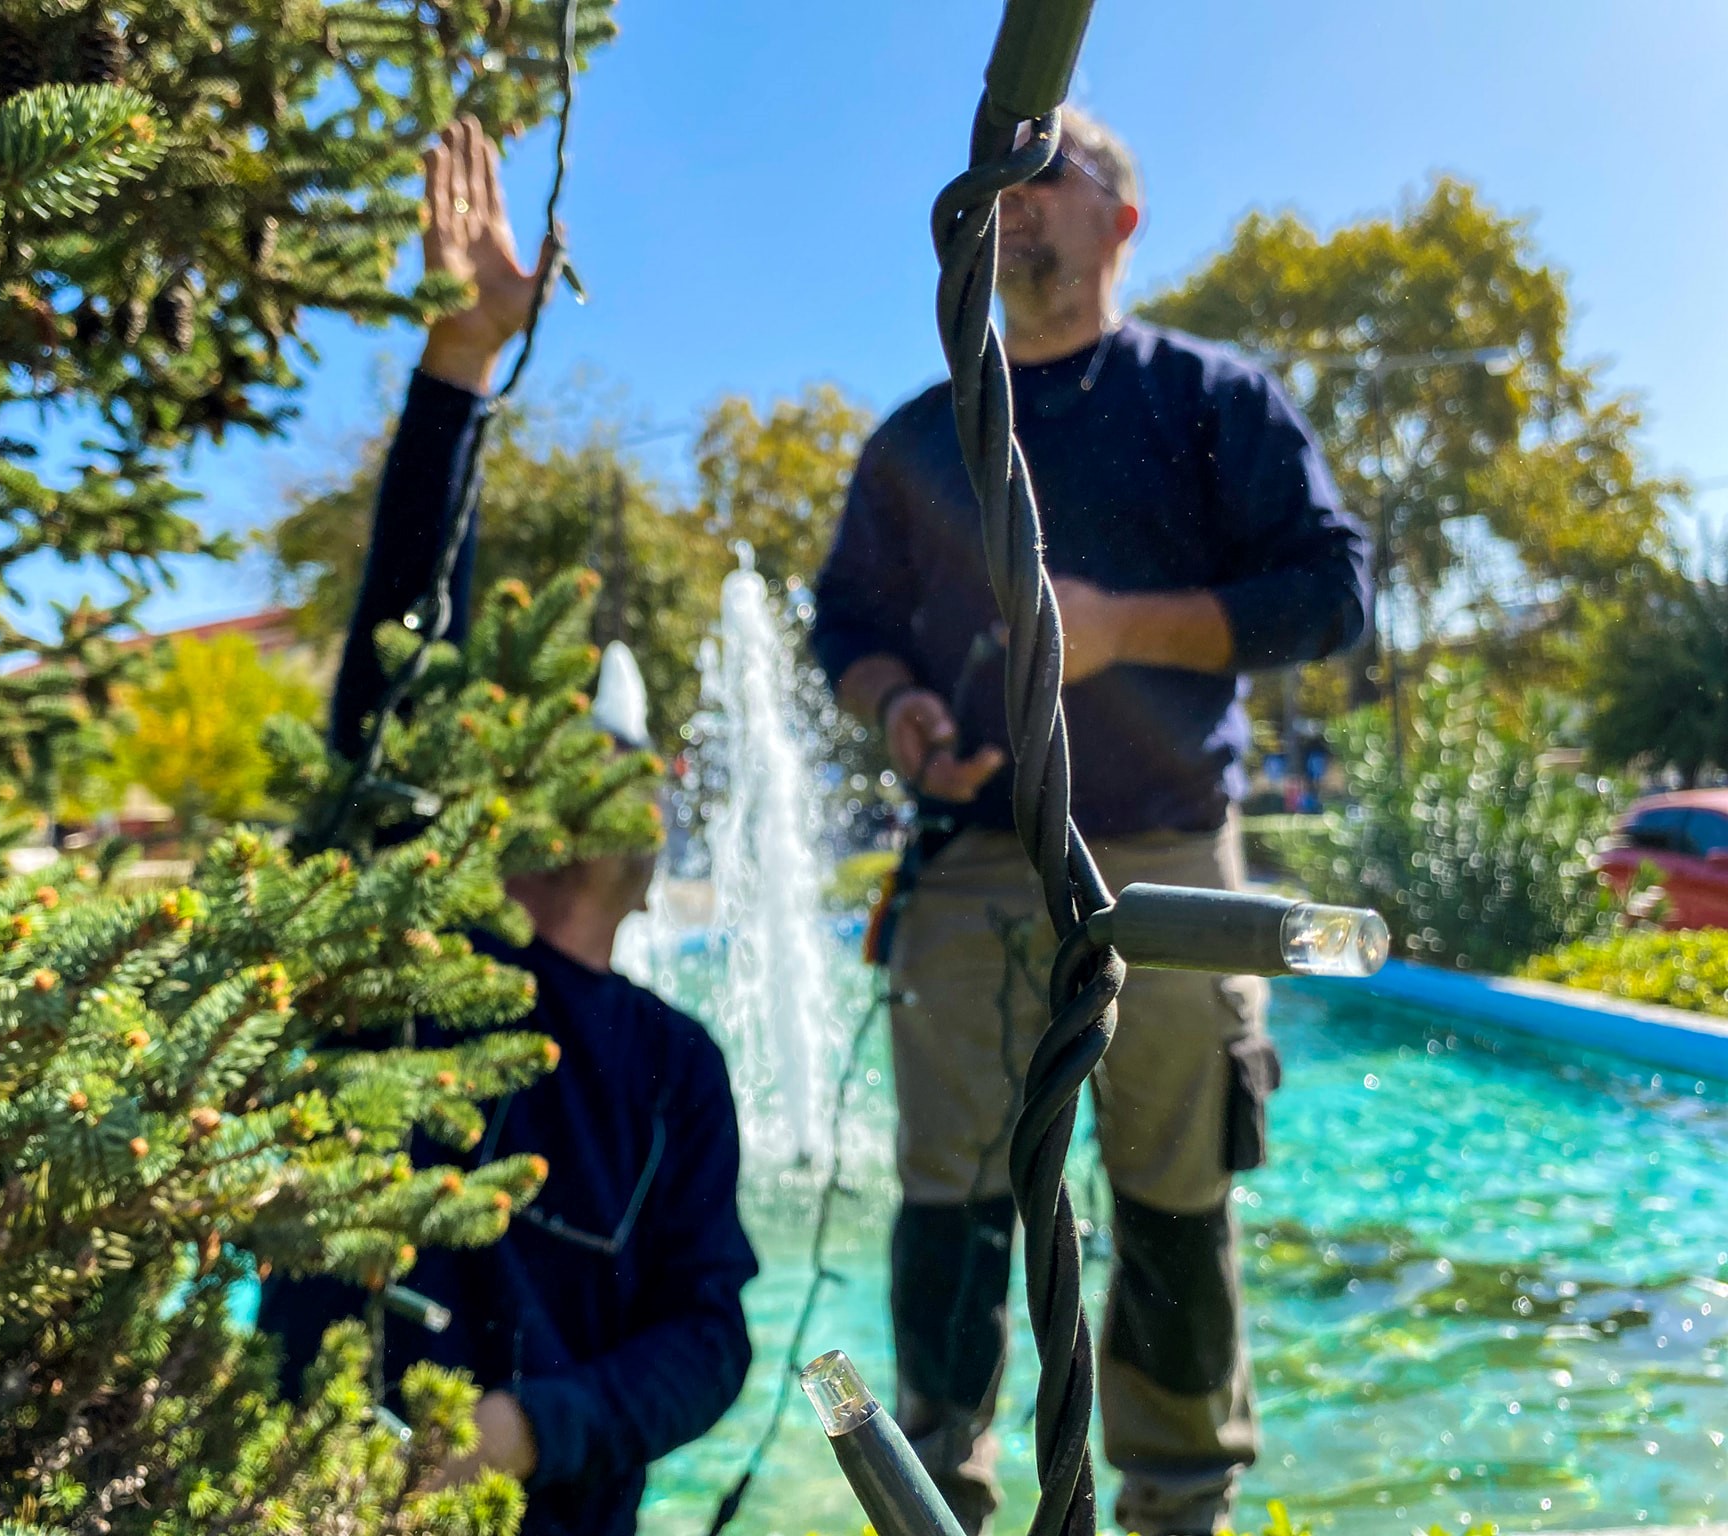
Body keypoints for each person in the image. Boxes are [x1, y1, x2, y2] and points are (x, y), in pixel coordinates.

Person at [811, 107, 1369, 1535]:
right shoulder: (920, 437)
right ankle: (939, 1490)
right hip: (967, 864)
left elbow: (1329, 595)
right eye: (996, 176)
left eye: (1045, 168)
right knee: (947, 1200)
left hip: (1171, 861)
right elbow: (849, 625)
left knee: (1176, 1196)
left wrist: (1127, 629)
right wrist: (899, 715)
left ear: (1121, 219)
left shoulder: (1208, 398)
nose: (1012, 197)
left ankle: (1176, 1502)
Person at [261, 119, 758, 1536]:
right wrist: (461, 362)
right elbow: (400, 684)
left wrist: (541, 1427)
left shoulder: (679, 1075)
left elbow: (710, 1338)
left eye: (623, 754)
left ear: (660, 829)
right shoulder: (402, 963)